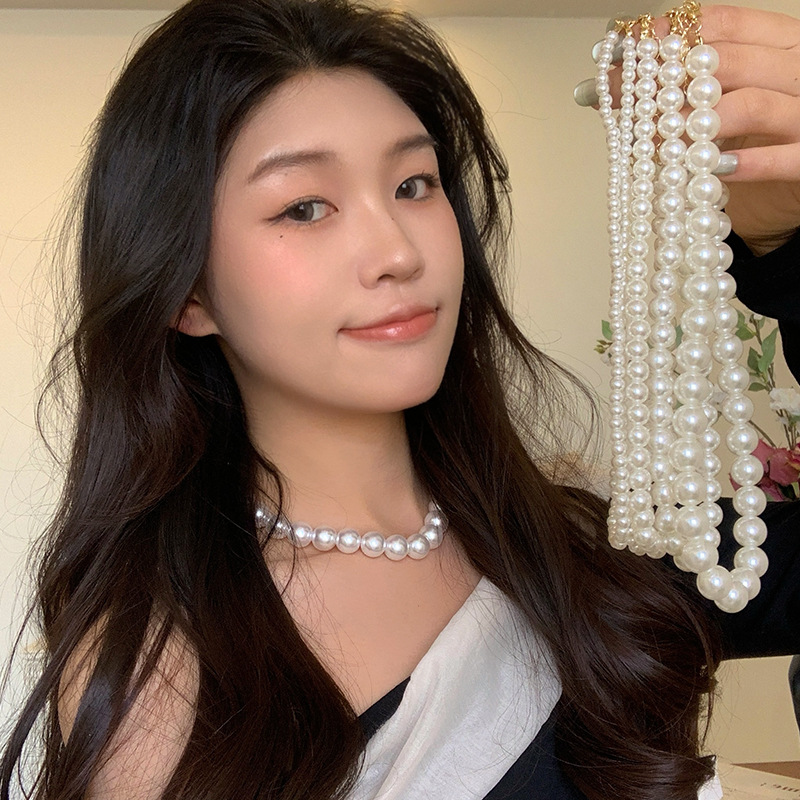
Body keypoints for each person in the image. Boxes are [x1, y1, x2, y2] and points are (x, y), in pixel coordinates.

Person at [0, 1, 798, 799]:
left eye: (414, 184)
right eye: (304, 207)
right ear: (188, 292)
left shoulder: (588, 562)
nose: (397, 251)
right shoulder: (163, 668)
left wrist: (784, 247)